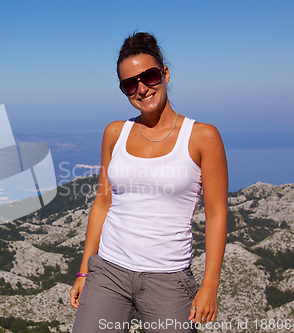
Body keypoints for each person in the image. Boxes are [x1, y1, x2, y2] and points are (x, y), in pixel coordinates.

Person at [69, 32, 228, 333]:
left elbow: (217, 214)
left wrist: (210, 285)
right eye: (130, 84)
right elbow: (103, 203)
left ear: (164, 74)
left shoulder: (203, 136)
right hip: (108, 273)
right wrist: (83, 272)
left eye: (149, 76)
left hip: (168, 279)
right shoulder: (115, 133)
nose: (141, 89)